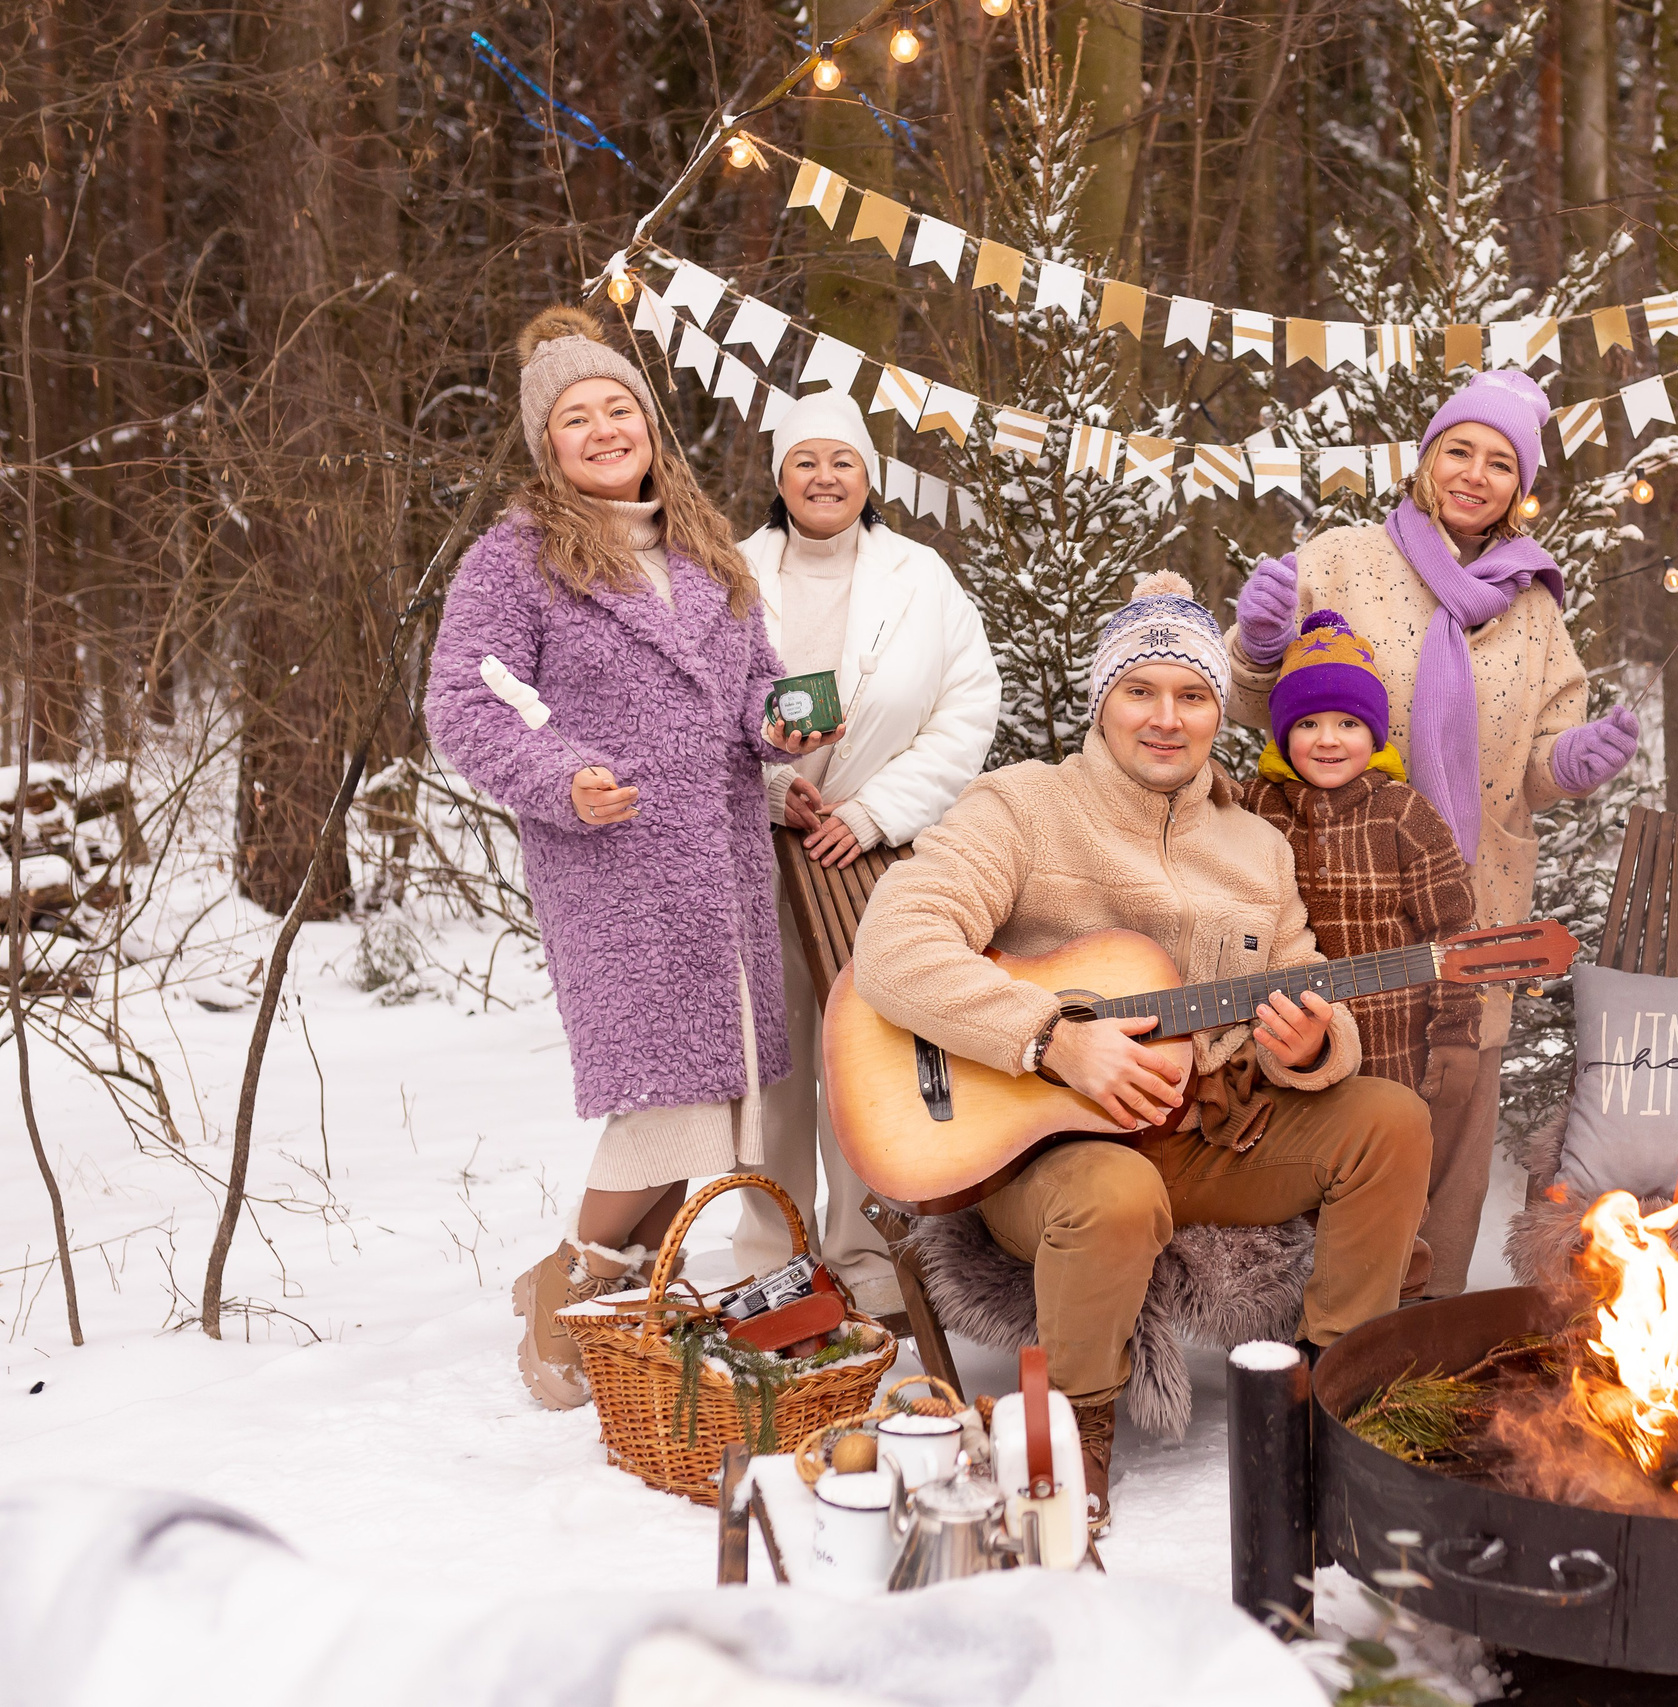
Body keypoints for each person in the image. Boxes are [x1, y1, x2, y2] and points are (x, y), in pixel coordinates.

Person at [851, 571, 1432, 1529]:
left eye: (1194, 695)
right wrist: (1052, 1040)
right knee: (1116, 1196)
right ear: (1102, 701)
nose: (1168, 718)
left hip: (1206, 1132)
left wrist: (1317, 1041)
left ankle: (1330, 1398)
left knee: (1391, 1122)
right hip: (1043, 1146)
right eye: (1141, 691)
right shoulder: (1021, 808)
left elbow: (1304, 971)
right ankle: (1070, 1457)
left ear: (1218, 712)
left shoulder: (1256, 848)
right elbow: (895, 944)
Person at [425, 305, 839, 1408]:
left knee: (708, 1105)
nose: (604, 429)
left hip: (725, 870)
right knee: (657, 1101)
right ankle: (570, 1289)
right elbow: (462, 704)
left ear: (652, 424)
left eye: (619, 408)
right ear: (545, 444)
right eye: (575, 418)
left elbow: (753, 688)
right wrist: (560, 780)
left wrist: (779, 727)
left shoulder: (707, 555)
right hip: (615, 872)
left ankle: (602, 1294)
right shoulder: (515, 562)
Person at [1224, 370, 1640, 1297]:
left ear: (1518, 486)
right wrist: (1254, 645)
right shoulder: (1340, 560)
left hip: (1474, 903)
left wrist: (1575, 758)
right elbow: (1264, 709)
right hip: (1337, 900)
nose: (1475, 475)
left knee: (1454, 1118)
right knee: (1328, 1109)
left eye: (1501, 463)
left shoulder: (1533, 611)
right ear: (1425, 458)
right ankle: (1320, 1329)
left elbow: (1536, 757)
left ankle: (1423, 1335)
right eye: (1461, 450)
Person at [731, 391, 1001, 1303]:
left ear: (868, 476)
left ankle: (867, 1248)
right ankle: (773, 1253)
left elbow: (968, 708)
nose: (824, 476)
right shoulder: (727, 578)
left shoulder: (921, 578)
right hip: (761, 844)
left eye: (842, 461)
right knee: (771, 1058)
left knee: (862, 1051)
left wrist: (877, 808)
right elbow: (697, 713)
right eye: (805, 461)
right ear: (779, 476)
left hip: (874, 857)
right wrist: (774, 788)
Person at [1237, 610, 1478, 1282]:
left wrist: (1457, 1036)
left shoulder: (1404, 813)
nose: (1328, 739)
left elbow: (1454, 932)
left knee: (1387, 1203)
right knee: (1303, 1205)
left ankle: (1387, 1322)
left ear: (1373, 731)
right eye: (1308, 724)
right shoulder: (1258, 804)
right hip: (1286, 1051)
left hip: (1392, 1055)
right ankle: (1304, 1337)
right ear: (1285, 733)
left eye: (1347, 723)